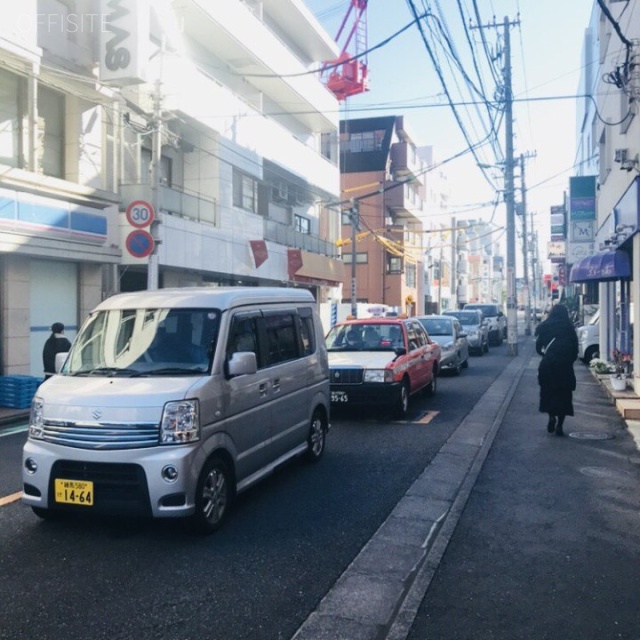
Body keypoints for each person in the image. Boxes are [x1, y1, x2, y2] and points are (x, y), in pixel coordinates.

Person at [534, 304, 578, 436]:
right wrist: (568, 360)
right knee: (564, 395)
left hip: (548, 366)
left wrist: (546, 356)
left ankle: (551, 417)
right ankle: (560, 424)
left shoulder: (545, 327)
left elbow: (538, 348)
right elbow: (575, 351)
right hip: (565, 368)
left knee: (549, 393)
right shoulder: (569, 328)